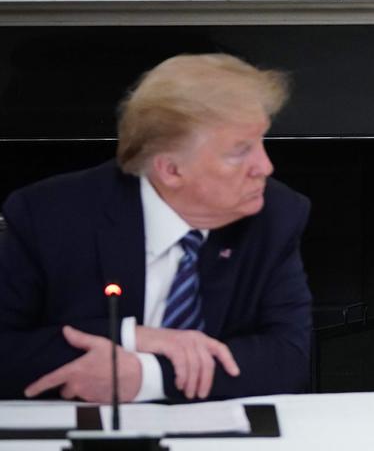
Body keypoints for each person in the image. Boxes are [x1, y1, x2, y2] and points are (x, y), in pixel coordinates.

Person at [0, 53, 312, 403]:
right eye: (240, 152)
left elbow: (289, 358)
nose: (265, 166)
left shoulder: (275, 215)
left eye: (261, 141)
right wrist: (134, 337)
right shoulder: (49, 215)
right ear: (171, 170)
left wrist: (147, 376)